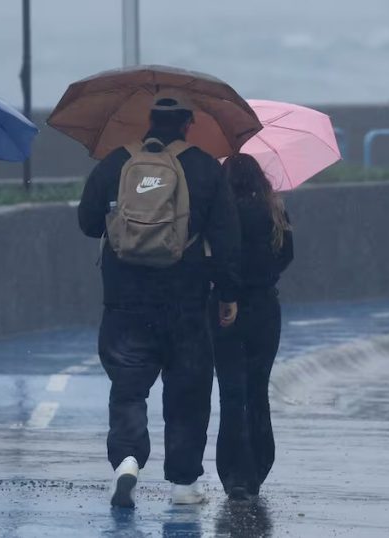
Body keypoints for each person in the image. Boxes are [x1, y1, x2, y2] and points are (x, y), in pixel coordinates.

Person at [78, 90, 241, 508]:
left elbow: (87, 222)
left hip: (124, 302)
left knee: (129, 388)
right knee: (187, 393)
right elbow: (226, 238)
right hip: (185, 302)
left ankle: (127, 461)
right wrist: (227, 294)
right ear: (188, 124)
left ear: (148, 121)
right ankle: (184, 484)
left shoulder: (116, 163)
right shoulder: (205, 167)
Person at [212, 154, 293, 501]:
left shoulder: (220, 215)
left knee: (232, 393)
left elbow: (216, 259)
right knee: (258, 390)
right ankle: (258, 466)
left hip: (224, 310)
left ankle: (233, 474)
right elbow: (287, 255)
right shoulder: (273, 212)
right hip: (264, 308)